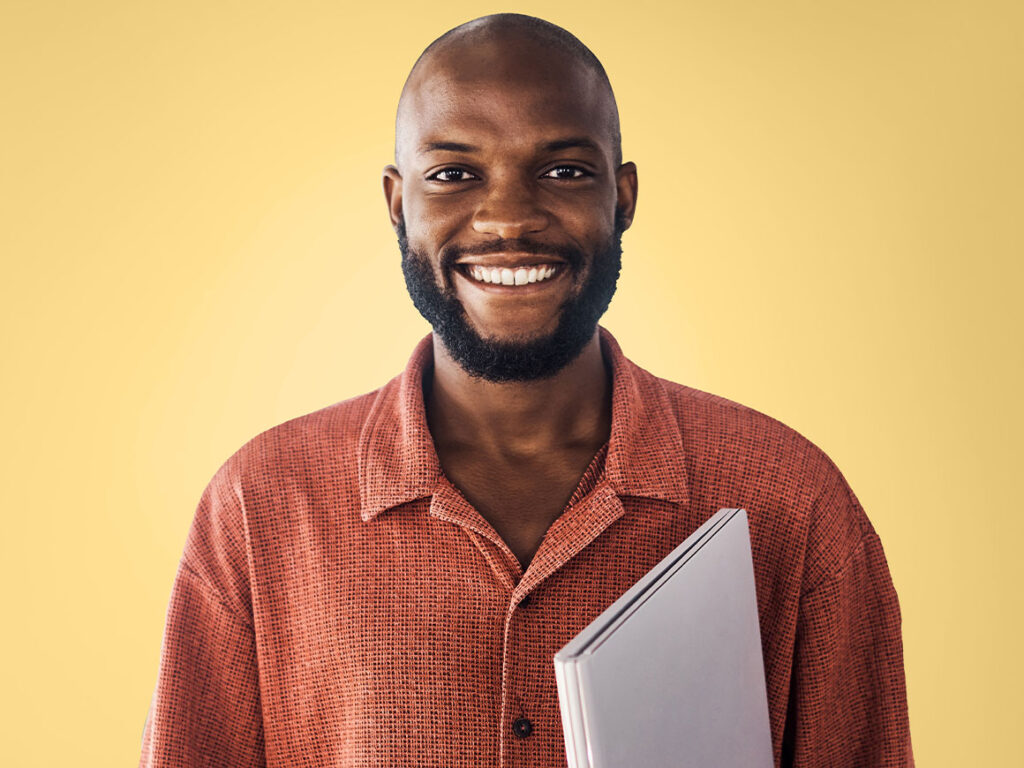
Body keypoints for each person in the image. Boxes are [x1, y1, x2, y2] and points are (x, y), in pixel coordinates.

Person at [139, 13, 912, 768]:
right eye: (453, 173)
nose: (508, 217)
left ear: (624, 196)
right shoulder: (260, 506)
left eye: (564, 170)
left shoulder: (789, 500)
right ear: (397, 201)